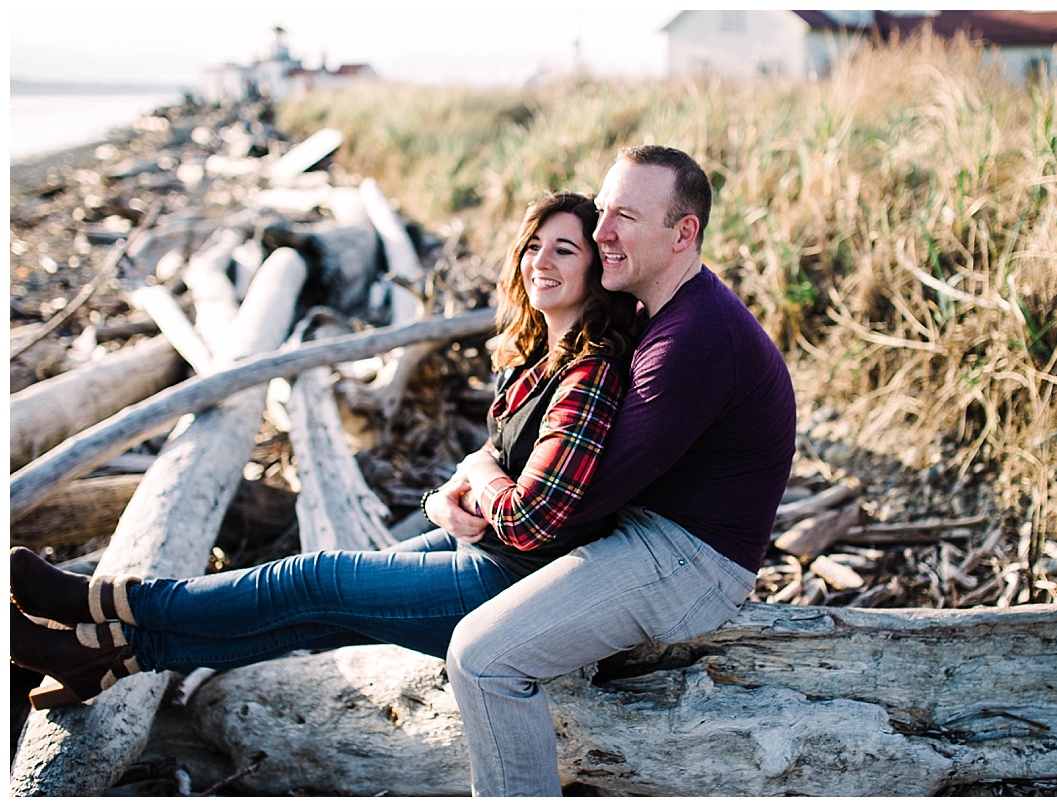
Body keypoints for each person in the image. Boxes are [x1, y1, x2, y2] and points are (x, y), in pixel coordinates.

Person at [9, 191, 642, 711]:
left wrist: (467, 483)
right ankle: (112, 658)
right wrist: (456, 488)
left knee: (310, 579)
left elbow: (534, 517)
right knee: (324, 614)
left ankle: (101, 601)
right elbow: (500, 459)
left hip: (516, 587)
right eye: (533, 245)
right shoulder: (537, 352)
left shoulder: (590, 374)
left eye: (564, 249)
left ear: (598, 269)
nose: (541, 261)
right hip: (482, 547)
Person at [442, 145, 797, 796]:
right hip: (650, 525)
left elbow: (568, 510)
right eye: (603, 210)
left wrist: (484, 473)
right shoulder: (655, 307)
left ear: (683, 233)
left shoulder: (690, 341)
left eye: (625, 217)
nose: (601, 231)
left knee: (481, 656)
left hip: (690, 559)